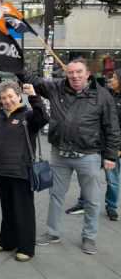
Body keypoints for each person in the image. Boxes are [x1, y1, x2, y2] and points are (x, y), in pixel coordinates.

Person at [17, 59, 121, 254]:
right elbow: (33, 79)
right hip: (60, 154)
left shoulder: (102, 95)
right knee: (56, 195)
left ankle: (89, 237)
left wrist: (111, 155)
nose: (75, 76)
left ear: (87, 74)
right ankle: (52, 232)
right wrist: (16, 66)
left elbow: (112, 127)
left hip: (89, 155)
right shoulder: (56, 88)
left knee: (91, 199)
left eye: (79, 72)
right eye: (71, 72)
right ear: (66, 74)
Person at [0, 81, 48, 262]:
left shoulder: (28, 115)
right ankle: (7, 241)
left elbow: (43, 117)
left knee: (23, 210)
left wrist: (34, 96)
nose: (7, 101)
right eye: (4, 98)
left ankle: (26, 247)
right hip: (2, 170)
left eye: (10, 97)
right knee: (7, 208)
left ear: (18, 96)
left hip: (21, 170)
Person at [67, 68, 121, 221]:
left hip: (113, 148)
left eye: (115, 78)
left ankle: (111, 207)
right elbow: (91, 85)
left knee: (112, 180)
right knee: (88, 176)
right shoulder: (104, 94)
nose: (111, 80)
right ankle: (83, 204)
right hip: (95, 145)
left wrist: (118, 148)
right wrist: (76, 74)